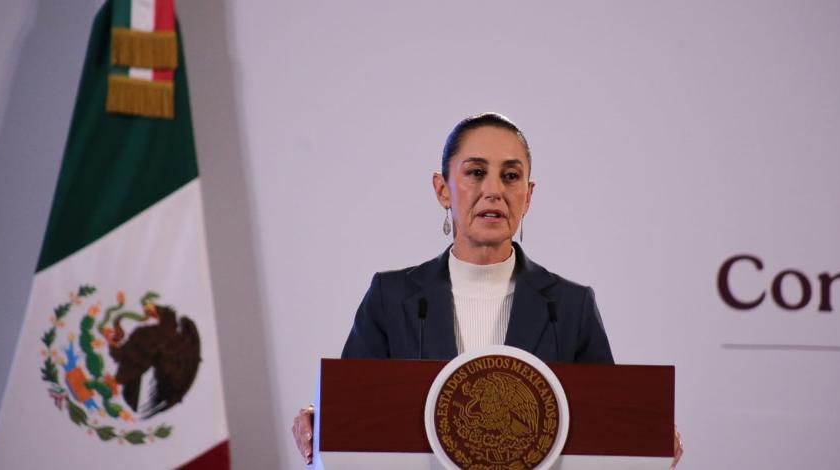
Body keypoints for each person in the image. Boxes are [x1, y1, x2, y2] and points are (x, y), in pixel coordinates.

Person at [291, 113, 683, 467]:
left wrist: (647, 441)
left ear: (527, 196)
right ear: (442, 189)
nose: (493, 190)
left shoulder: (569, 305)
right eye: (476, 172)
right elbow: (358, 416)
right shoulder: (390, 297)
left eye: (510, 176)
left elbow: (604, 429)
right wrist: (323, 420)